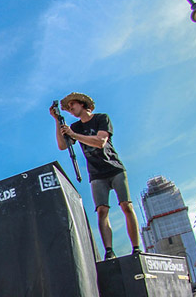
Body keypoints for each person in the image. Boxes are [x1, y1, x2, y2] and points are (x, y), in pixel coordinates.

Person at [50, 92, 141, 260]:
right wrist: (57, 121)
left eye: (72, 105)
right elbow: (62, 146)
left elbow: (100, 142)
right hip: (96, 174)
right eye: (68, 108)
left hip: (114, 168)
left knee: (126, 206)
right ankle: (109, 251)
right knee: (101, 210)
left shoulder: (101, 118)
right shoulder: (75, 127)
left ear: (82, 104)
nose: (70, 109)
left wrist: (74, 135)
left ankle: (136, 248)